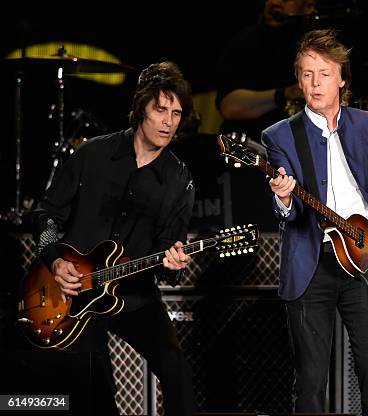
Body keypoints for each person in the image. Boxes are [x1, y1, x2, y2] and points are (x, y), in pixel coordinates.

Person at [262, 29, 368, 415]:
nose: (315, 83)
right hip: (312, 263)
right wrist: (283, 197)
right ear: (298, 79)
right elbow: (293, 212)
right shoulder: (279, 135)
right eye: (307, 74)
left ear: (342, 78)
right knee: (311, 381)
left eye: (325, 73)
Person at [30, 61, 196, 416]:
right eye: (161, 110)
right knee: (97, 383)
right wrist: (55, 261)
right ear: (141, 109)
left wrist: (173, 263)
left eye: (177, 113)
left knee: (176, 369)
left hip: (134, 295)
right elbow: (45, 214)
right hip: (74, 295)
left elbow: (169, 259)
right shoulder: (92, 153)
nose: (169, 121)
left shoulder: (180, 180)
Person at [215, 0, 316, 141]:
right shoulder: (244, 42)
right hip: (251, 149)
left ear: (308, 6)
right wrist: (285, 94)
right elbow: (229, 106)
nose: (274, 2)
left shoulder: (321, 45)